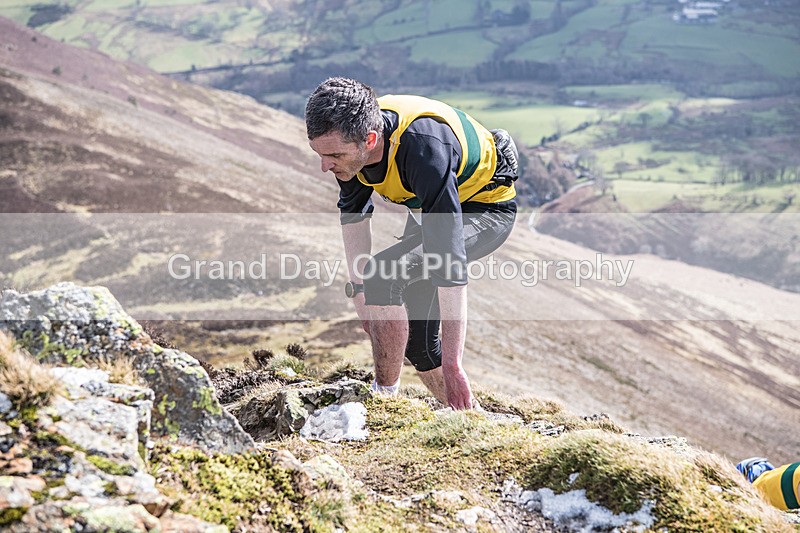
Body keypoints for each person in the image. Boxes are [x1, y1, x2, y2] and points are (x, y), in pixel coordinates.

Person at [305, 77, 519, 410]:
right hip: (430, 207)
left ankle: (382, 402)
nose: (324, 166)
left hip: (485, 210)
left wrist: (454, 362)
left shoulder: (422, 150)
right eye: (318, 153)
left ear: (370, 140)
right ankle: (467, 418)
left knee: (384, 275)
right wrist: (360, 293)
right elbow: (354, 214)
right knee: (418, 346)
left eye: (333, 155)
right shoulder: (350, 148)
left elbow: (448, 264)